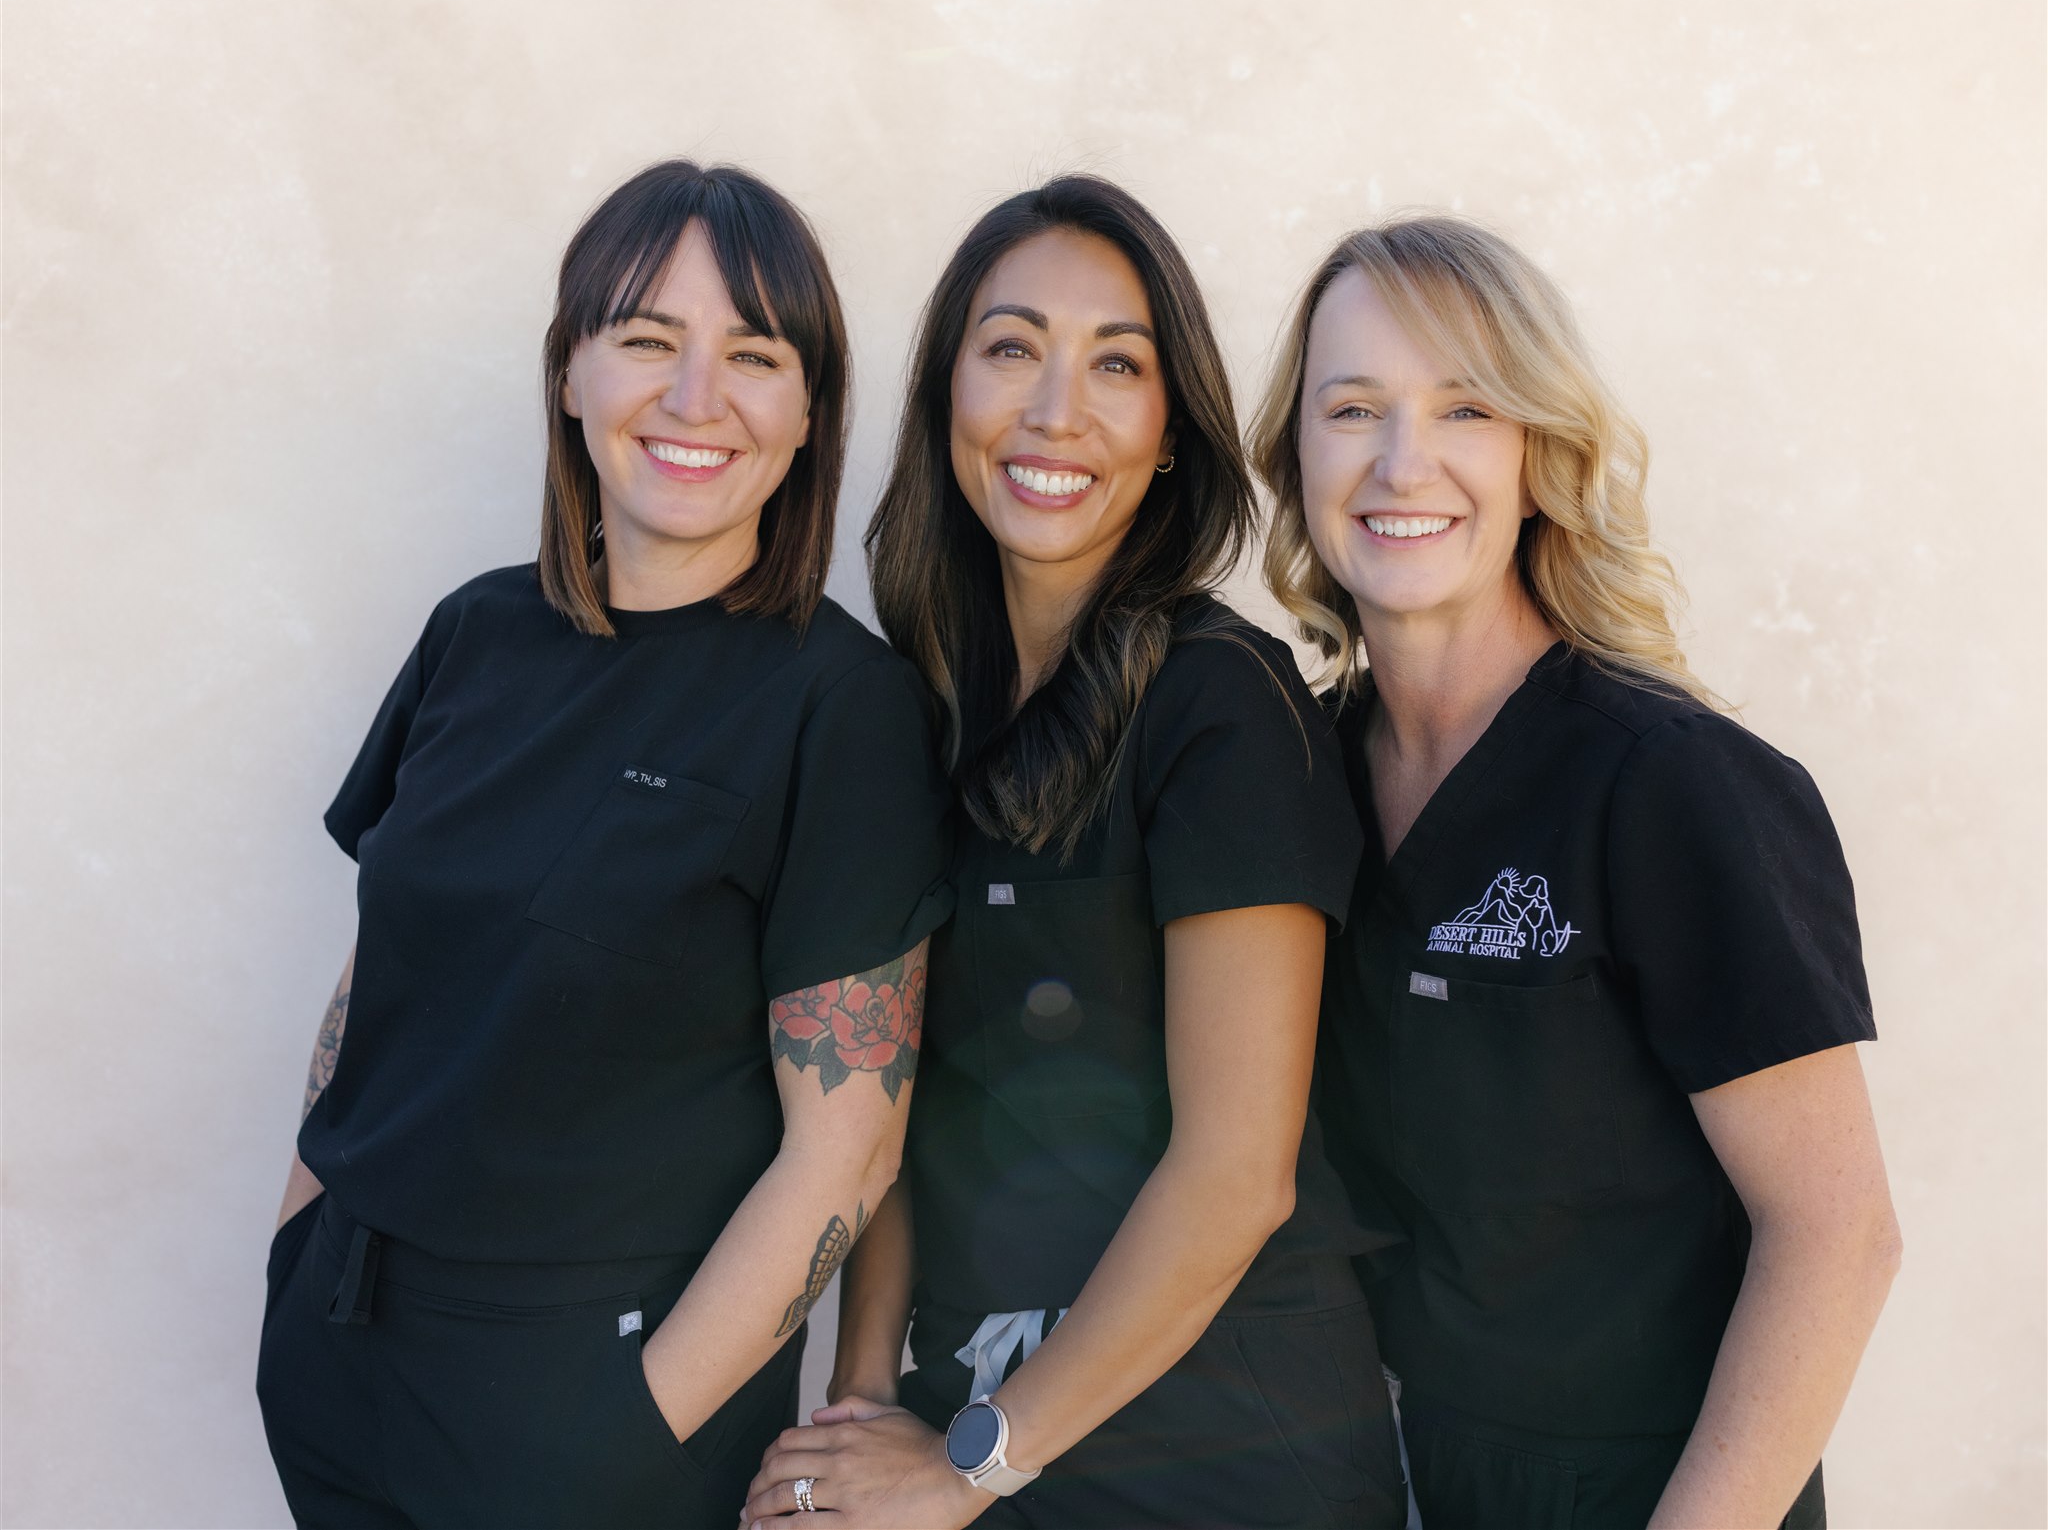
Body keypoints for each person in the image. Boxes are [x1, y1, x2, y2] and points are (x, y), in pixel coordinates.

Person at [255, 159, 953, 1528]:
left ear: (809, 412)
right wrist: (296, 1252)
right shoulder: (472, 633)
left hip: (595, 1415)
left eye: (754, 355)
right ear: (570, 373)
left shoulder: (839, 706)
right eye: (646, 339)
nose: (695, 396)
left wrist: (625, 1433)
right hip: (341, 1352)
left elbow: (849, 1153)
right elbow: (381, 970)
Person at [744, 176, 1407, 1530]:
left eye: (1117, 364)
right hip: (975, 1425)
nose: (1058, 412)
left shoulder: (1222, 703)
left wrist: (963, 1467)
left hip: (1218, 1454)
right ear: (946, 394)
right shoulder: (912, 710)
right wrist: (859, 1404)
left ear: (1170, 434)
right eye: (1012, 348)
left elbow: (1236, 1174)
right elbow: (894, 1113)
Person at [1251, 215, 1901, 1529]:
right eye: (1353, 407)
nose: (1402, 461)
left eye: (1466, 408)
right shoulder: (1288, 780)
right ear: (1296, 454)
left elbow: (1838, 1237)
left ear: (1541, 455)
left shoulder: (1672, 785)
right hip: (1395, 1480)